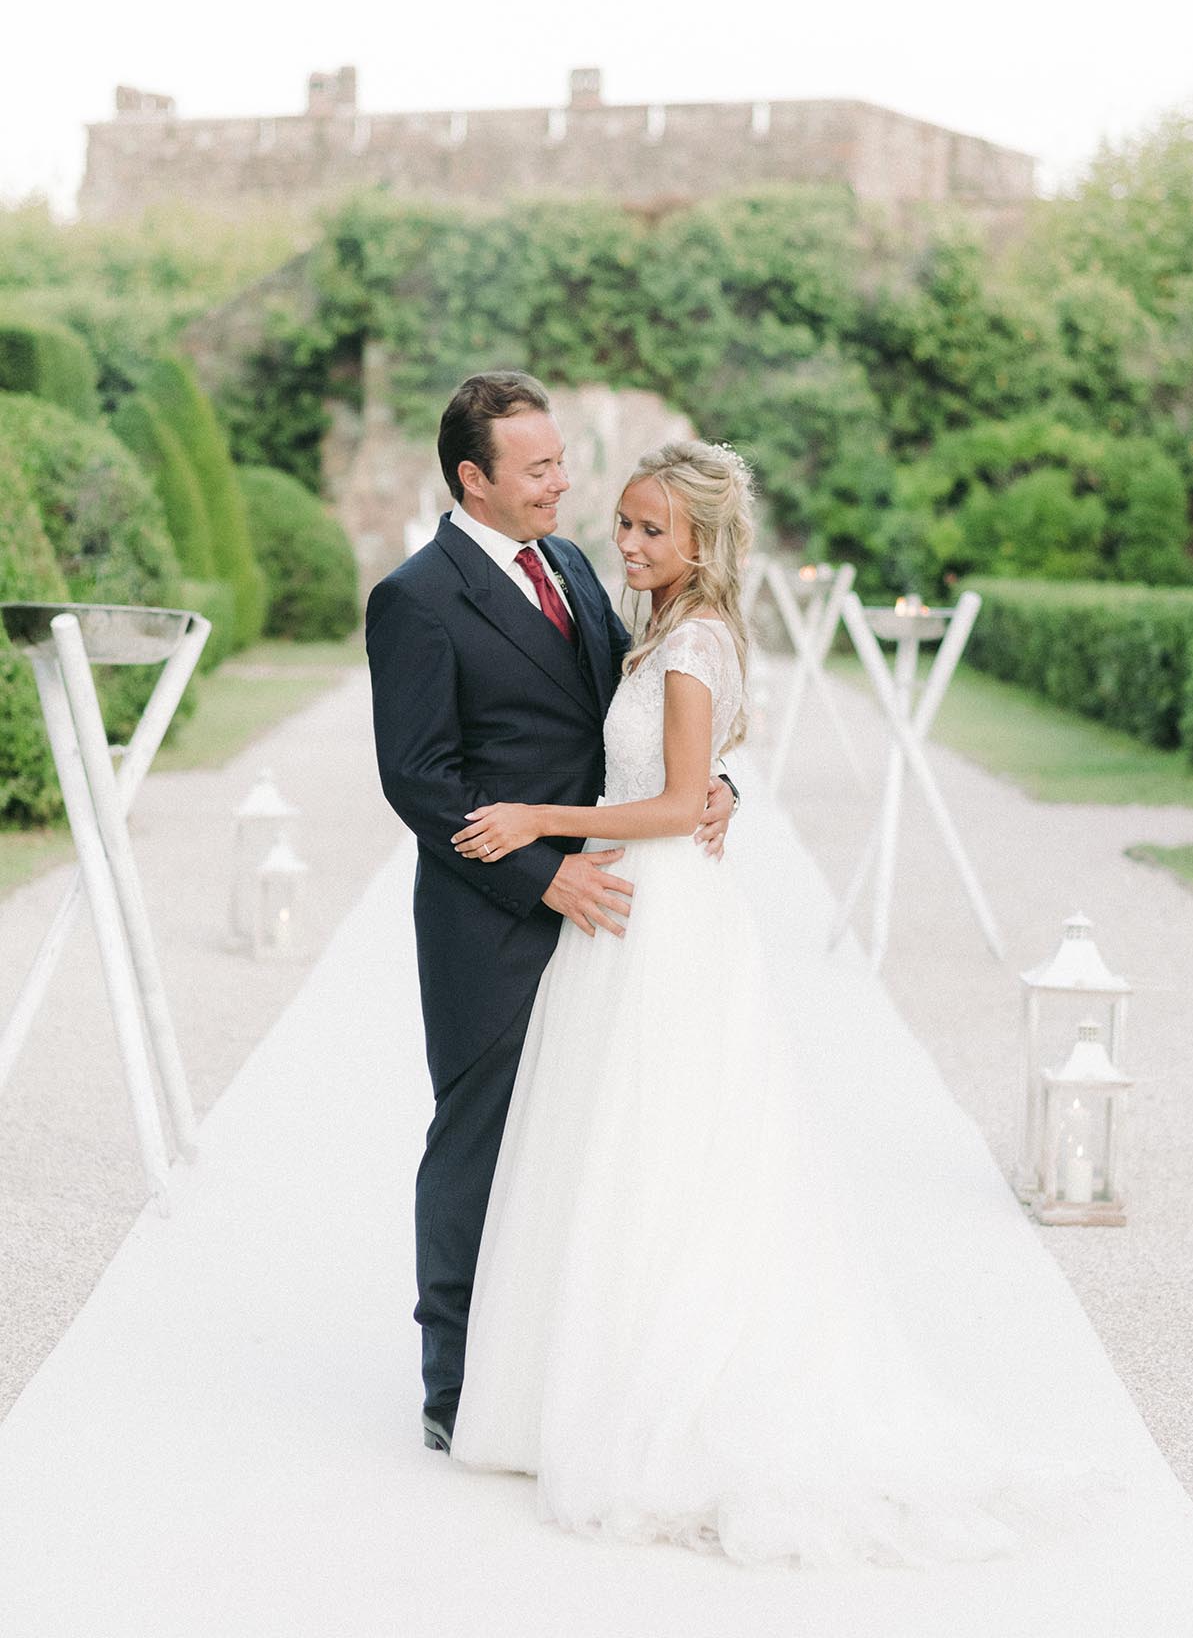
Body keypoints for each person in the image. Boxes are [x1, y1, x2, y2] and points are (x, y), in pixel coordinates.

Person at [447, 435, 1109, 1567]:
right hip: (632, 913)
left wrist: (537, 819)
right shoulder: (655, 624)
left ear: (702, 537)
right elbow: (688, 783)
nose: (631, 541)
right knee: (617, 1151)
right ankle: (582, 1382)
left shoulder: (694, 639)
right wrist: (702, 791)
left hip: (660, 913)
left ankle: (667, 1395)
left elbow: (667, 803)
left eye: (655, 528)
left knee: (668, 1153)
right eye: (627, 523)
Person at [364, 373, 736, 1455]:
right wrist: (544, 877)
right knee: (478, 1141)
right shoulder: (416, 598)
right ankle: (453, 1385)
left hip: (615, 909)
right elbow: (421, 781)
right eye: (538, 470)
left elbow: (644, 711)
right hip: (493, 916)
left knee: (582, 1142)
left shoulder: (574, 564)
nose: (563, 485)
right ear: (473, 480)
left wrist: (714, 790)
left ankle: (556, 1365)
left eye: (562, 461)